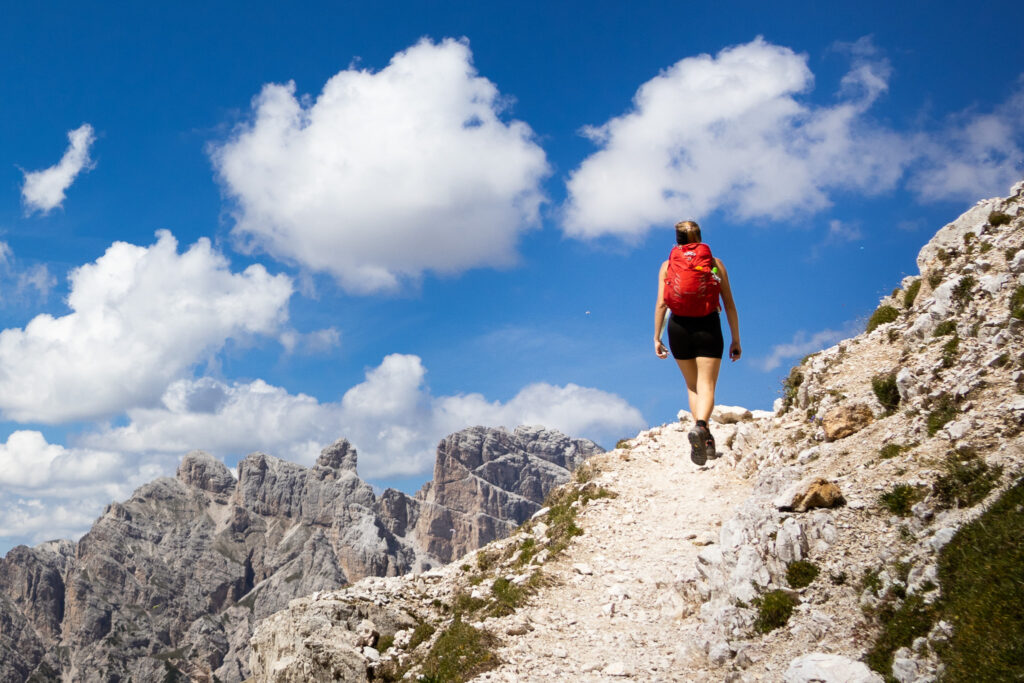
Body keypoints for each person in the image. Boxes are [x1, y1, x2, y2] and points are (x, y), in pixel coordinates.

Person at [654, 220, 741, 465]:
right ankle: (702, 427)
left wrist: (657, 337)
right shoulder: (715, 264)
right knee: (707, 385)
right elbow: (729, 305)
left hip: (678, 327)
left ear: (677, 241)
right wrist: (736, 338)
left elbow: (662, 304)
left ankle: (704, 436)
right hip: (708, 325)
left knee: (692, 386)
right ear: (700, 238)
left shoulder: (667, 266)